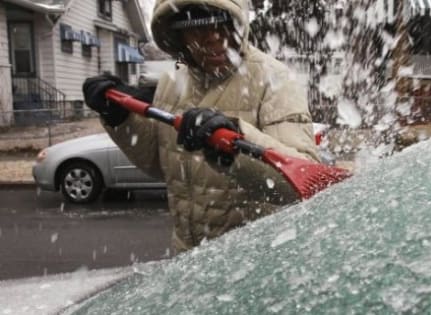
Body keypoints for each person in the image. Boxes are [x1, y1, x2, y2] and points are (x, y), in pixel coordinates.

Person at [82, 0, 319, 253]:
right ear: (177, 34)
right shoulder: (172, 81)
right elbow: (159, 164)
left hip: (254, 261)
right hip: (187, 259)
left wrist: (234, 145)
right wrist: (122, 120)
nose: (214, 38)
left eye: (223, 26)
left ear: (239, 24)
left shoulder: (274, 80)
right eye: (197, 28)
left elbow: (302, 184)